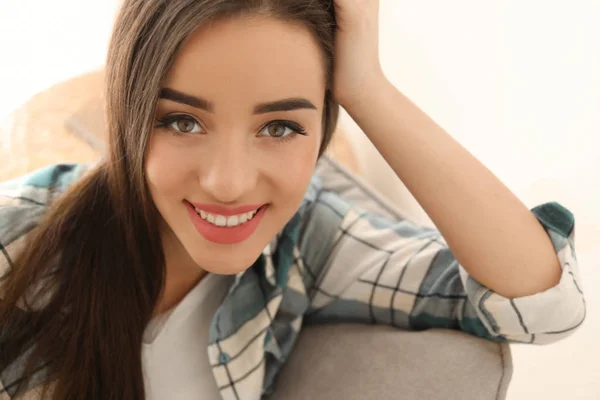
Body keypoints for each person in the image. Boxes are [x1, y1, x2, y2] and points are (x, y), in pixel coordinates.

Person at [0, 0, 585, 399]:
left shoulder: (306, 246)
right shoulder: (19, 235)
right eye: (182, 121)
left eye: (279, 127)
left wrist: (368, 88)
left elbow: (542, 304)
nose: (228, 183)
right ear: (126, 114)